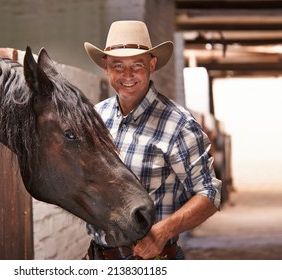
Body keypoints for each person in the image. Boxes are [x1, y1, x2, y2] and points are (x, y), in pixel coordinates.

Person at [83, 20, 222, 260]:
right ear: (106, 66)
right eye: (118, 65)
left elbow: (209, 193)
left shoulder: (178, 124)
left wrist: (163, 231)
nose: (128, 75)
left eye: (137, 64)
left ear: (152, 65)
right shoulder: (96, 117)